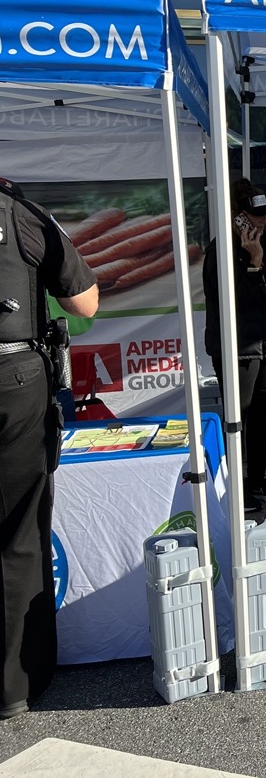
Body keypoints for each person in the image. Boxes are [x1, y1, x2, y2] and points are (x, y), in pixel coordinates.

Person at [0, 176, 98, 719]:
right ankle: (16, 682)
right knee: (19, 529)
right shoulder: (20, 214)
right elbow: (84, 303)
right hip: (11, 377)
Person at [203, 179, 266, 513]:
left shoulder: (265, 241)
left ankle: (257, 479)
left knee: (262, 416)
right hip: (239, 347)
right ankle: (236, 488)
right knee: (238, 419)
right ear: (237, 216)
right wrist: (253, 262)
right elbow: (234, 302)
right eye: (256, 216)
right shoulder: (222, 251)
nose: (263, 222)